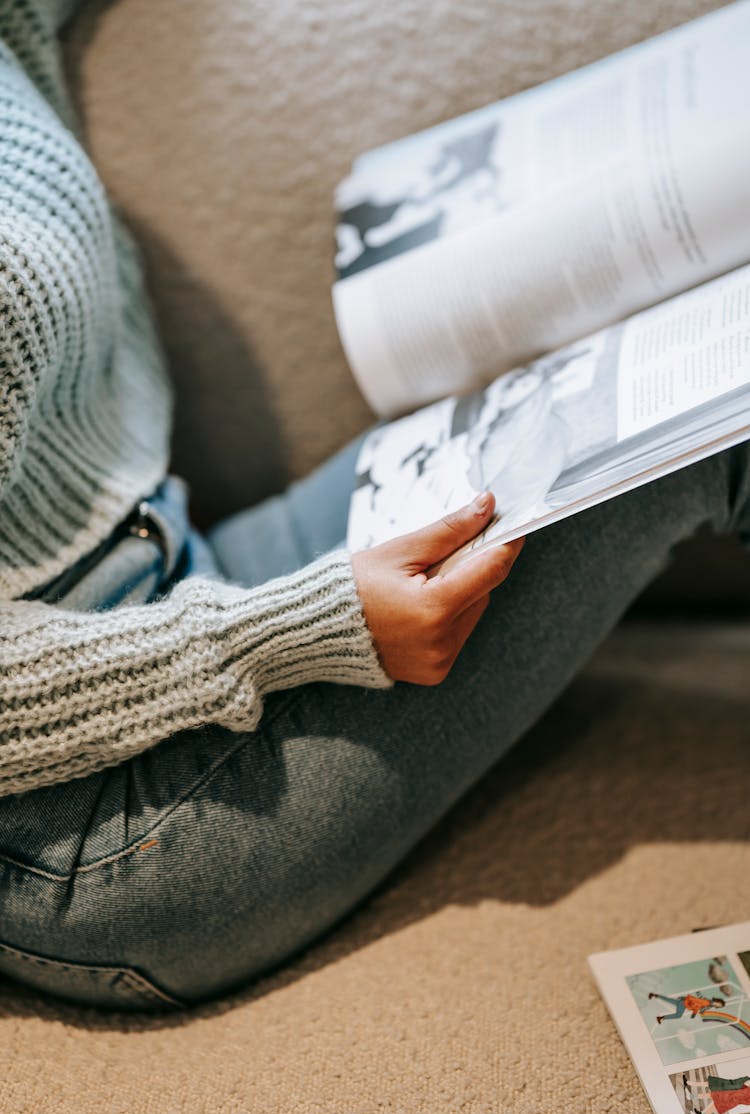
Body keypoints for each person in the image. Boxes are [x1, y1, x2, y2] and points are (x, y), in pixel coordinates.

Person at [1, 0, 750, 1014]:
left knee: (667, 358)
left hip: (176, 562)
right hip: (79, 827)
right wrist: (291, 633)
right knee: (690, 428)